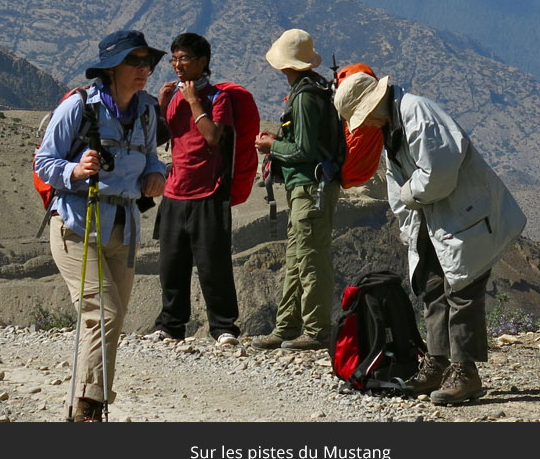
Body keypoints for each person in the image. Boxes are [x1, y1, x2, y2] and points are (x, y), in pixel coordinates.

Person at [333, 69, 526, 406]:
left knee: (463, 290)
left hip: (465, 215)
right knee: (433, 286)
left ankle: (465, 372)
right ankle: (437, 362)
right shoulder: (391, 125)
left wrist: (409, 197)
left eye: (363, 118)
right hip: (436, 220)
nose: (364, 126)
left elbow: (438, 174)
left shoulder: (418, 114)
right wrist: (410, 228)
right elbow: (398, 185)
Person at [34, 29, 168, 422]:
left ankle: (84, 405)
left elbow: (151, 157)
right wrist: (74, 169)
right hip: (77, 226)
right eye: (135, 61)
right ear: (111, 68)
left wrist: (156, 175)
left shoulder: (146, 111)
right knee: (104, 314)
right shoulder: (79, 107)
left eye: (147, 62)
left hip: (123, 230)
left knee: (109, 320)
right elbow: (45, 161)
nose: (145, 69)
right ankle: (89, 408)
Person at [250, 28, 341, 351]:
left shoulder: (304, 98)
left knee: (311, 258)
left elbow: (304, 150)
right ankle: (287, 326)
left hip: (310, 189)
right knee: (296, 257)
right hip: (305, 189)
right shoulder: (311, 91)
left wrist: (272, 146)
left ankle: (317, 329)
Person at [148, 32, 242, 346]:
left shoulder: (218, 98)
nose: (177, 65)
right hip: (175, 192)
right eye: (174, 58)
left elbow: (213, 136)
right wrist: (161, 107)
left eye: (184, 58)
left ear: (202, 62)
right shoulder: (173, 97)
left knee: (213, 263)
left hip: (209, 193)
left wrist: (193, 101)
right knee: (171, 263)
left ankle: (223, 326)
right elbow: (160, 139)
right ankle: (170, 324)